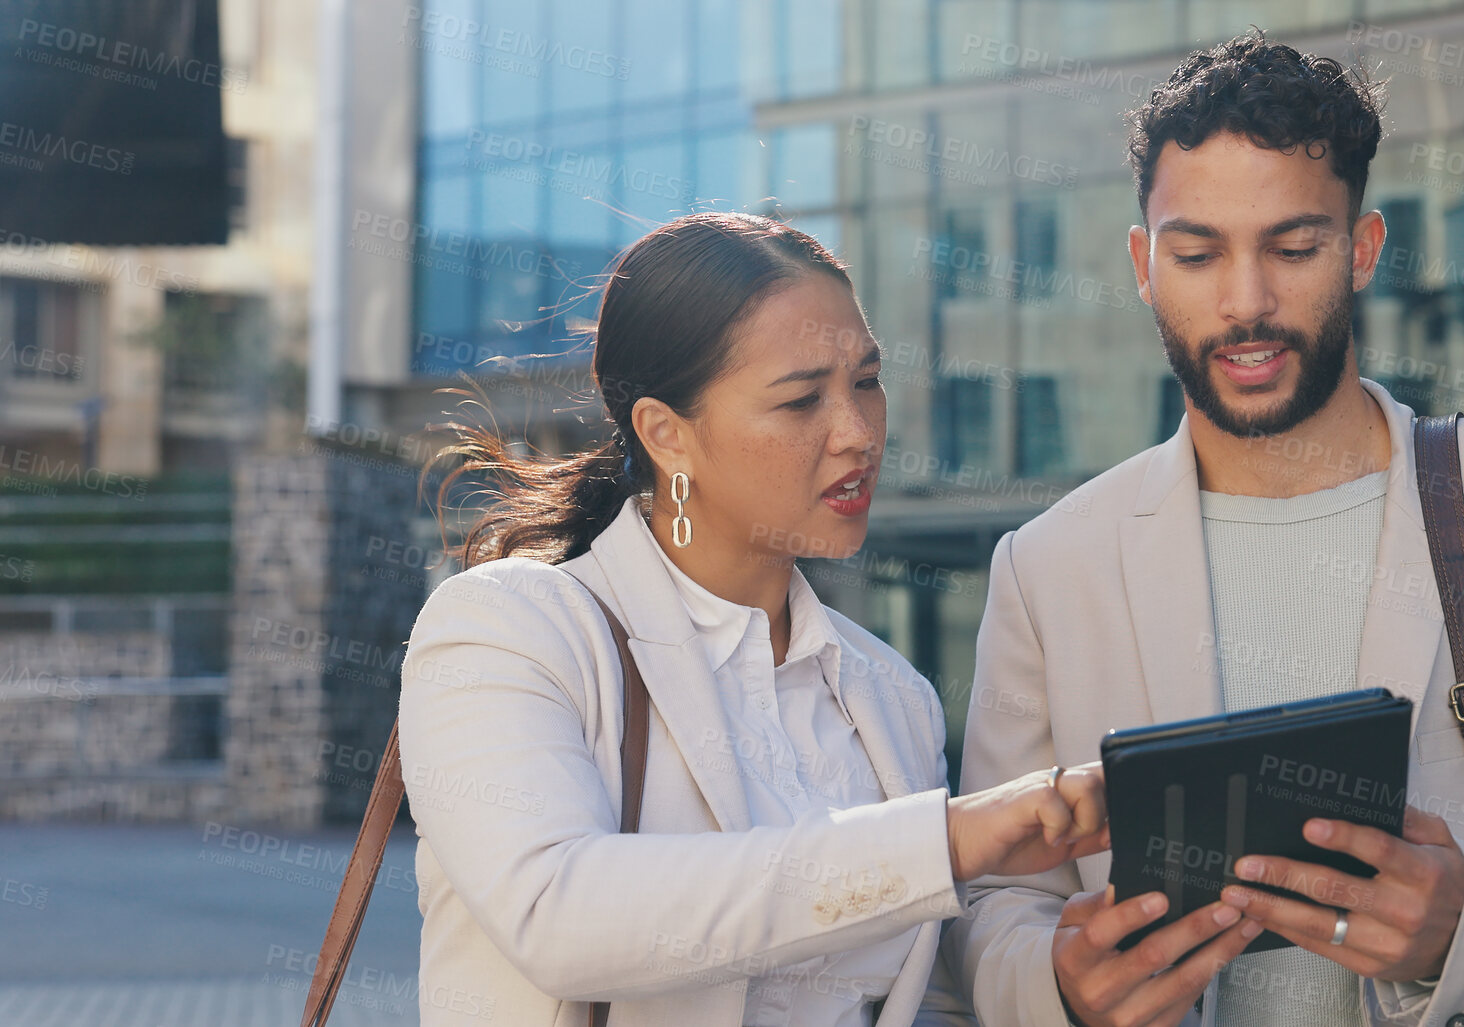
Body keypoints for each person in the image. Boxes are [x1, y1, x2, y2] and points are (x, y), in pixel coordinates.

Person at [943, 32, 1464, 1027]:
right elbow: (996, 898)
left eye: (1294, 248)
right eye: (1198, 254)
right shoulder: (1048, 567)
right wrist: (1055, 984)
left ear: (1363, 249)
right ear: (1144, 265)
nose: (1247, 303)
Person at [399, 211, 1107, 1026]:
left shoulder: (889, 693)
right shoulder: (510, 630)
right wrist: (942, 842)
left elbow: (916, 997)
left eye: (866, 382)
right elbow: (557, 914)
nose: (857, 433)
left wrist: (1066, 980)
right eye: (802, 399)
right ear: (667, 434)